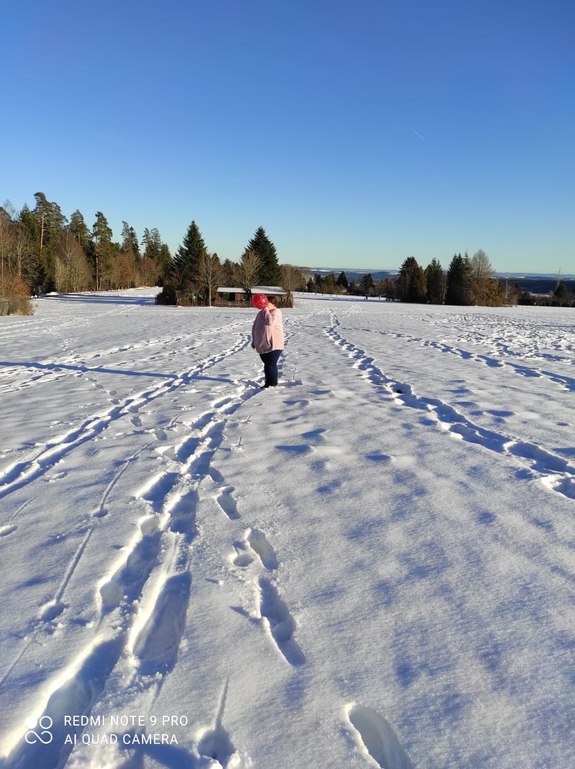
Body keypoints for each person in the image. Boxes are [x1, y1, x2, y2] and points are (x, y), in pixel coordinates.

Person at [251, 295, 284, 388]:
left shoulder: (276, 312)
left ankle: (272, 384)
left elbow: (270, 322)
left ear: (273, 304)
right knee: (267, 364)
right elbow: (254, 328)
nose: (264, 305)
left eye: (266, 303)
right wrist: (254, 341)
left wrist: (265, 309)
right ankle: (268, 382)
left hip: (274, 344)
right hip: (262, 344)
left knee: (270, 364)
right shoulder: (261, 313)